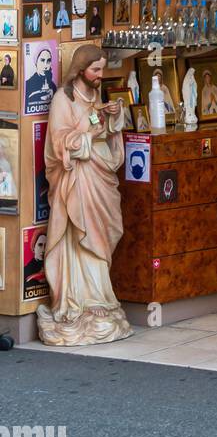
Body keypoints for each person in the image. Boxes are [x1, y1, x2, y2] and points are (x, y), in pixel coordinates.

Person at [36, 44, 133, 346]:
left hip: (99, 175)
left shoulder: (94, 95)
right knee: (81, 235)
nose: (100, 76)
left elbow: (103, 131)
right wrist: (92, 126)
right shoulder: (62, 100)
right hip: (76, 181)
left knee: (101, 235)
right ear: (80, 70)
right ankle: (76, 302)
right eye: (95, 70)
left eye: (102, 69)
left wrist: (112, 118)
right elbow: (59, 142)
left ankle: (101, 300)